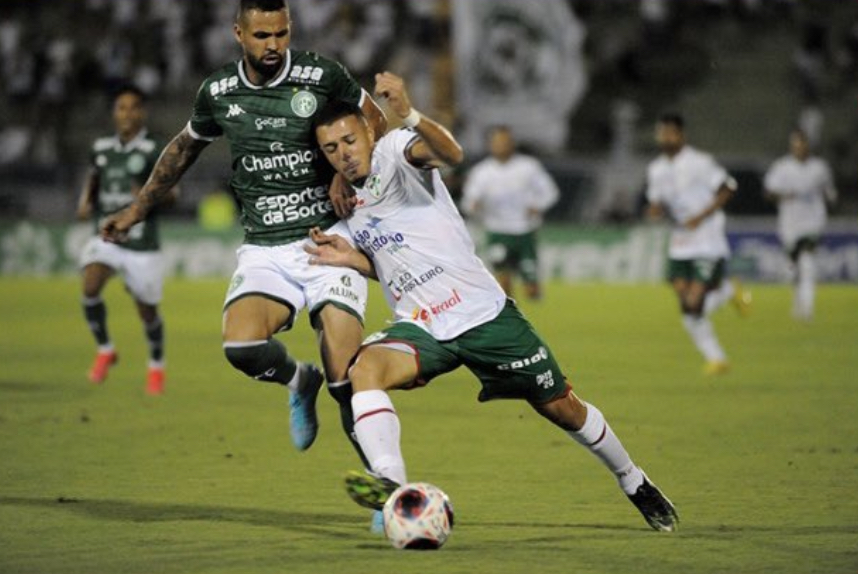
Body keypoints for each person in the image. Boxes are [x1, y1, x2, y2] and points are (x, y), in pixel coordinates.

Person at [306, 72, 679, 532]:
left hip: (483, 314)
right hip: (422, 326)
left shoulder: (396, 150)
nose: (343, 153)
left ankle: (632, 479)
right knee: (363, 370)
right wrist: (353, 258)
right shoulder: (349, 199)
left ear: (367, 132)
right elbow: (393, 259)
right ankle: (392, 484)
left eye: (349, 140)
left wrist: (408, 111)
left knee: (561, 406)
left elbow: (451, 154)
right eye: (331, 149)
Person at [100, 0, 388, 461]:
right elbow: (182, 149)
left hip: (328, 242)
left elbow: (374, 118)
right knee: (241, 346)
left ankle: (385, 485)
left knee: (345, 379)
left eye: (281, 34)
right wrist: (137, 209)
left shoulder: (321, 75)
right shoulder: (218, 92)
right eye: (262, 36)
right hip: (265, 247)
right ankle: (299, 380)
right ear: (239, 33)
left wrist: (342, 171)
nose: (274, 45)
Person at [76, 84, 175, 395]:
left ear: (142, 112)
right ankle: (105, 349)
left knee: (147, 312)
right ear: (114, 113)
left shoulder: (154, 150)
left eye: (134, 107)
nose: (127, 113)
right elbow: (94, 177)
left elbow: (174, 196)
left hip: (142, 243)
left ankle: (156, 366)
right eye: (121, 107)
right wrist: (85, 200)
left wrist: (147, 198)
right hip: (107, 235)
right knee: (90, 286)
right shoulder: (101, 147)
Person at [645, 113, 751, 376]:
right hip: (680, 243)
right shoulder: (656, 169)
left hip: (707, 240)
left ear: (681, 135)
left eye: (670, 132)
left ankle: (726, 293)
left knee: (694, 304)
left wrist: (701, 216)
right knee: (687, 308)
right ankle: (718, 357)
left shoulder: (699, 162)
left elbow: (728, 187)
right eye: (662, 133)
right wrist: (655, 210)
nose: (665, 137)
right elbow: (657, 202)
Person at [461, 126, 559, 300]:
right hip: (497, 232)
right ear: (490, 145)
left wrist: (538, 206)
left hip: (525, 232)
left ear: (512, 144)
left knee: (532, 289)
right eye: (497, 142)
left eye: (505, 142)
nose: (501, 146)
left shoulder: (529, 167)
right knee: (503, 282)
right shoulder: (481, 172)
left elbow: (551, 193)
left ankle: (537, 310)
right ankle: (511, 318)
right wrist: (474, 206)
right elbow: (468, 202)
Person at [764, 129, 837, 321]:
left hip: (813, 222)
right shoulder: (782, 167)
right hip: (789, 224)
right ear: (791, 146)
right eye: (795, 145)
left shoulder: (819, 167)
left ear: (808, 146)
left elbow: (829, 192)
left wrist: (830, 199)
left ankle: (808, 309)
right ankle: (798, 301)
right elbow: (768, 192)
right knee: (794, 267)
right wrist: (783, 195)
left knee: (807, 261)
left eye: (802, 145)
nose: (799, 148)